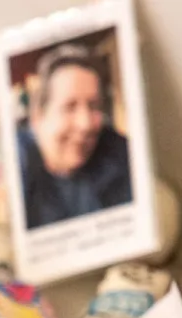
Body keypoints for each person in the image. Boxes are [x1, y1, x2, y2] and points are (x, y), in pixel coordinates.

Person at [16, 42, 134, 229]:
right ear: (38, 117)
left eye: (94, 106)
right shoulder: (16, 165)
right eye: (70, 107)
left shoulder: (123, 156)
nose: (85, 124)